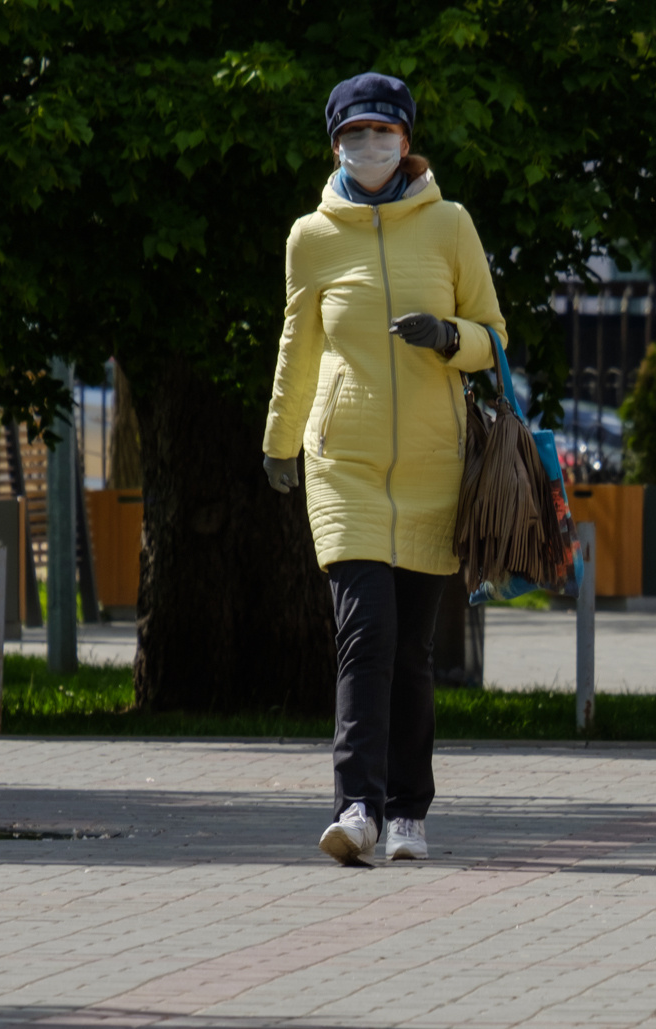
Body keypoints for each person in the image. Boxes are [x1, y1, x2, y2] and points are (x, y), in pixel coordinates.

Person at [261, 71, 506, 865]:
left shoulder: (450, 224)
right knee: (364, 634)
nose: (369, 145)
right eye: (354, 134)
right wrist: (280, 441)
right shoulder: (312, 236)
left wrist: (450, 336)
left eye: (383, 132)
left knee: (410, 651)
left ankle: (408, 814)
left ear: (407, 140)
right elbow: (298, 345)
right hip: (346, 466)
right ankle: (357, 807)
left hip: (433, 465)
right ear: (335, 144)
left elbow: (494, 338)